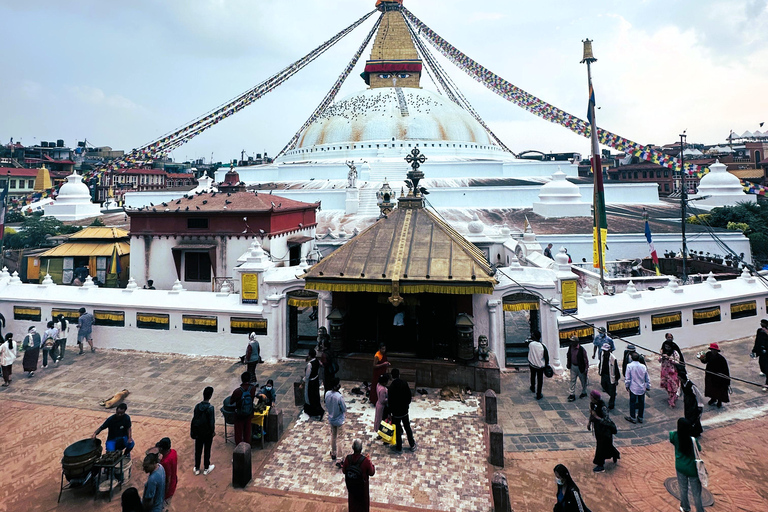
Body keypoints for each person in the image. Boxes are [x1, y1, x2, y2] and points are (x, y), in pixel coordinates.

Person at [670, 418, 704, 512]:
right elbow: (699, 449)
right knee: (696, 494)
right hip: (692, 469)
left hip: (680, 467)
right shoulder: (692, 440)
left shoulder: (674, 436)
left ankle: (685, 508)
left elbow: (671, 436)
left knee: (683, 489)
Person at [587, 390, 619, 473]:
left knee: (601, 446)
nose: (590, 398)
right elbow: (591, 413)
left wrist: (596, 417)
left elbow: (606, 420)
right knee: (606, 445)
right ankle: (615, 454)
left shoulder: (603, 407)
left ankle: (600, 464)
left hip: (604, 430)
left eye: (591, 397)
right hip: (598, 429)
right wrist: (589, 423)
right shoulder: (592, 404)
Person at [342, 439, 376, 512]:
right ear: (361, 449)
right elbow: (372, 472)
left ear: (352, 448)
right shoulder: (365, 461)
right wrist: (369, 461)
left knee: (353, 504)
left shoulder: (348, 458)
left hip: (352, 487)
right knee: (363, 506)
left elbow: (344, 471)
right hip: (363, 489)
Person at [388, 368, 416, 453]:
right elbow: (408, 396)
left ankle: (399, 447)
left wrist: (390, 412)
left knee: (397, 430)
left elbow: (390, 401)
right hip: (404, 411)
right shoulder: (404, 383)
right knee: (407, 427)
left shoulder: (391, 387)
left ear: (392, 376)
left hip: (396, 413)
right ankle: (412, 444)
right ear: (399, 375)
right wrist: (406, 405)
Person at [191, 386, 216, 475]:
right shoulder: (210, 408)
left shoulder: (197, 407)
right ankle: (206, 467)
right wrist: (212, 431)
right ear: (210, 396)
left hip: (198, 432)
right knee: (207, 449)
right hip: (207, 433)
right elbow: (211, 422)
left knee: (198, 450)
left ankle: (197, 468)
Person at [698, 342, 730, 408]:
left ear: (716, 350)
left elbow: (725, 370)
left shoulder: (721, 359)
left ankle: (719, 401)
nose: (713, 351)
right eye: (712, 349)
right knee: (711, 388)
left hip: (718, 377)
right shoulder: (708, 354)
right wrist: (702, 358)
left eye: (714, 350)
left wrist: (727, 380)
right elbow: (705, 361)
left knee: (718, 389)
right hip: (710, 375)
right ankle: (713, 399)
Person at [624, 352, 651, 424]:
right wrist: (648, 386)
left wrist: (627, 385)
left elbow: (628, 378)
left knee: (632, 402)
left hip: (633, 387)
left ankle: (632, 417)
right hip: (642, 387)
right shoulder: (643, 366)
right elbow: (647, 377)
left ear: (632, 358)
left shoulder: (629, 366)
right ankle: (640, 417)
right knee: (641, 403)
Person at [231, 371, 257, 444]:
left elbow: (231, 402)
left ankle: (239, 449)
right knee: (247, 432)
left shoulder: (237, 391)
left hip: (239, 415)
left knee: (238, 433)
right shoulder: (253, 389)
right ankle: (246, 449)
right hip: (249, 413)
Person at [325, 378, 347, 462]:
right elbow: (344, 408)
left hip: (331, 418)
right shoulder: (339, 397)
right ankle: (340, 457)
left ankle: (333, 452)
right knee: (340, 438)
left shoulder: (327, 394)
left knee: (333, 436)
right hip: (339, 420)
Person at [679, 369, 704, 437]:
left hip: (693, 403)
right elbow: (681, 390)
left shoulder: (691, 385)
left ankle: (696, 431)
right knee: (688, 416)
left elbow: (698, 395)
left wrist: (699, 405)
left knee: (694, 418)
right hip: (687, 402)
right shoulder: (682, 383)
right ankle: (691, 430)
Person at [154, 437, 177, 509]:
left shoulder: (165, 462)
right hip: (174, 482)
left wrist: (164, 494)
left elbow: (168, 479)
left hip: (168, 489)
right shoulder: (173, 452)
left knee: (163, 506)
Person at [659, 336, 682, 408]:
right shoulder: (663, 352)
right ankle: (671, 397)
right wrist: (662, 357)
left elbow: (677, 361)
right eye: (666, 346)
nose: (667, 348)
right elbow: (659, 360)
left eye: (668, 347)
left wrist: (669, 358)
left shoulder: (675, 353)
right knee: (667, 386)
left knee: (673, 387)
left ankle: (672, 400)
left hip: (672, 372)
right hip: (665, 372)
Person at [303, 348, 324, 420]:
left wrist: (303, 382)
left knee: (310, 397)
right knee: (315, 396)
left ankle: (315, 411)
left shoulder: (310, 364)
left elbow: (307, 376)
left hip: (311, 383)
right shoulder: (317, 361)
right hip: (315, 381)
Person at [565, 337, 589, 402]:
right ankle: (572, 394)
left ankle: (584, 392)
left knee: (583, 380)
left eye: (573, 341)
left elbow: (585, 359)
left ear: (576, 342)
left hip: (580, 367)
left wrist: (586, 368)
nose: (571, 343)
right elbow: (568, 355)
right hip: (573, 366)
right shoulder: (570, 347)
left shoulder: (581, 350)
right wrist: (568, 364)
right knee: (572, 380)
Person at [597, 342, 620, 409]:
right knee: (603, 385)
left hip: (611, 375)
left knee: (612, 389)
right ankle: (612, 395)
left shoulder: (613, 358)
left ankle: (611, 403)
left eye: (606, 351)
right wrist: (600, 370)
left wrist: (616, 379)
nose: (604, 352)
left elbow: (616, 369)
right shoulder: (602, 354)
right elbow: (601, 363)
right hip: (604, 374)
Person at [527, 331, 548, 400]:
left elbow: (527, 341)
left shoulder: (531, 344)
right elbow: (546, 357)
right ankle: (539, 393)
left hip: (532, 364)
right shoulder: (543, 346)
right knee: (540, 379)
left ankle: (532, 387)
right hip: (540, 365)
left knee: (532, 376)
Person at [751, 318, 768, 391]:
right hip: (762, 353)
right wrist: (754, 351)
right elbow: (757, 341)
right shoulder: (760, 331)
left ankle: (767, 384)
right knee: (762, 365)